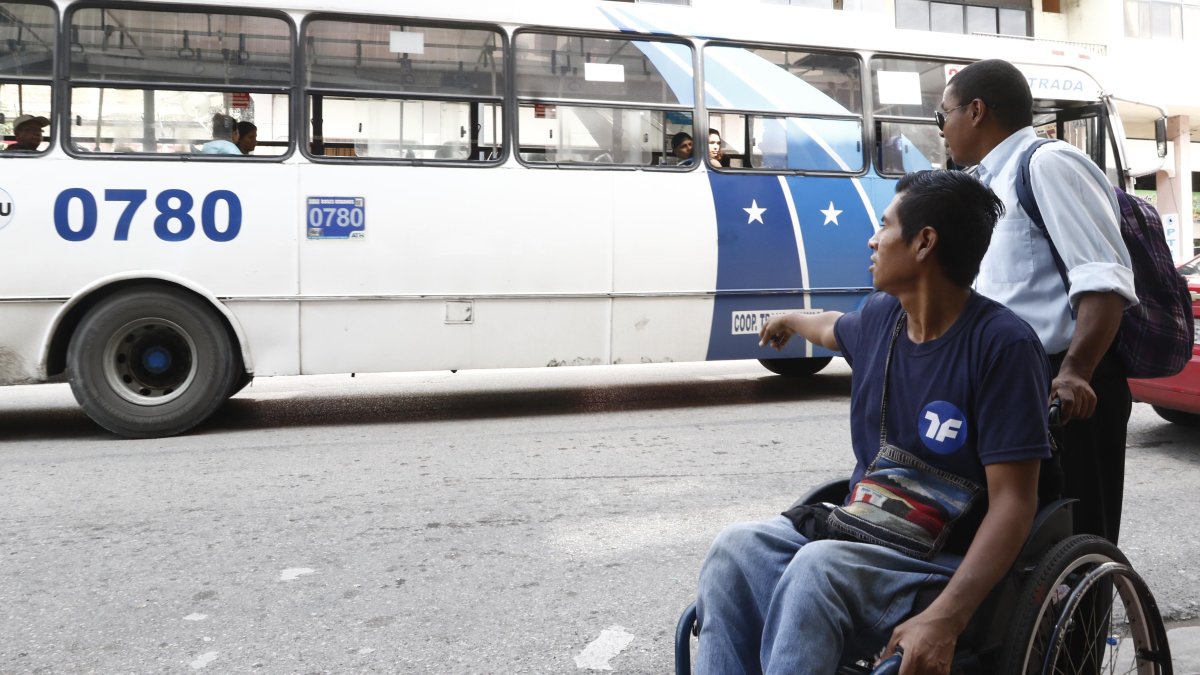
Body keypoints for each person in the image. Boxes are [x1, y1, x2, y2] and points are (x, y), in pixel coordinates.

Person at [694, 170, 1051, 674]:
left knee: (817, 570)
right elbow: (833, 329)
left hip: (939, 560)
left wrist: (945, 620)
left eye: (884, 225)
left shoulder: (1003, 347)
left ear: (924, 242)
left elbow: (1015, 503)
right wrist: (791, 320)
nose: (873, 238)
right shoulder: (884, 316)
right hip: (865, 530)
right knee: (736, 549)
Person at [939, 59, 1136, 545]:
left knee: (1075, 535)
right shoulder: (986, 183)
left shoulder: (1048, 164)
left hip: (1066, 392)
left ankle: (1090, 623)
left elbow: (1104, 280)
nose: (941, 129)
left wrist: (1075, 373)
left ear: (977, 111)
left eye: (943, 115)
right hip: (1013, 383)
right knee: (1019, 542)